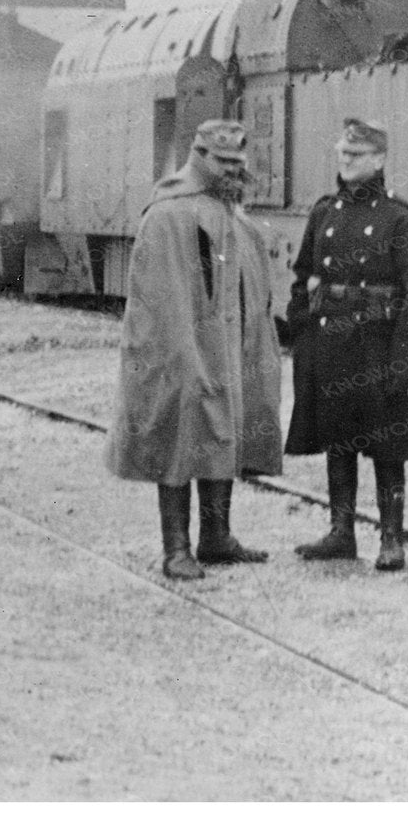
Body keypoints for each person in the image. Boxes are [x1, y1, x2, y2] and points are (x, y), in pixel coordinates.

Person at [106, 119, 284, 581]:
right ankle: (176, 548)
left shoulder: (233, 216)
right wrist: (183, 358)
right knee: (179, 438)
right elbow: (158, 300)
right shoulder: (168, 214)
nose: (233, 171)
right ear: (198, 157)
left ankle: (216, 537)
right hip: (181, 352)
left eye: (238, 163)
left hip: (228, 351)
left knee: (223, 432)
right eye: (223, 162)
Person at [285, 119, 408, 572]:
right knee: (338, 440)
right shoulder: (324, 213)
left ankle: (392, 538)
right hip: (332, 344)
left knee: (387, 447)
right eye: (343, 153)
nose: (347, 160)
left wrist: (403, 361)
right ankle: (341, 532)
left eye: (357, 154)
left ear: (380, 159)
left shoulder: (398, 217)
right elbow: (303, 277)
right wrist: (303, 334)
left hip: (378, 348)